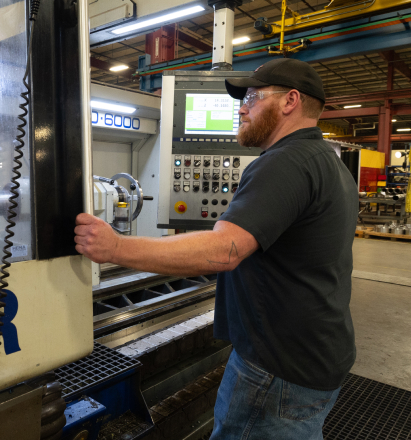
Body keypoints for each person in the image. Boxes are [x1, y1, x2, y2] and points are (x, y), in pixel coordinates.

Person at [74, 58, 358, 439]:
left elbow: (224, 250)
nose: (242, 107)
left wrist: (115, 247)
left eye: (254, 97)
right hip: (316, 352)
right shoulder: (329, 163)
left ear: (290, 101)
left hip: (278, 367)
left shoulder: (284, 162)